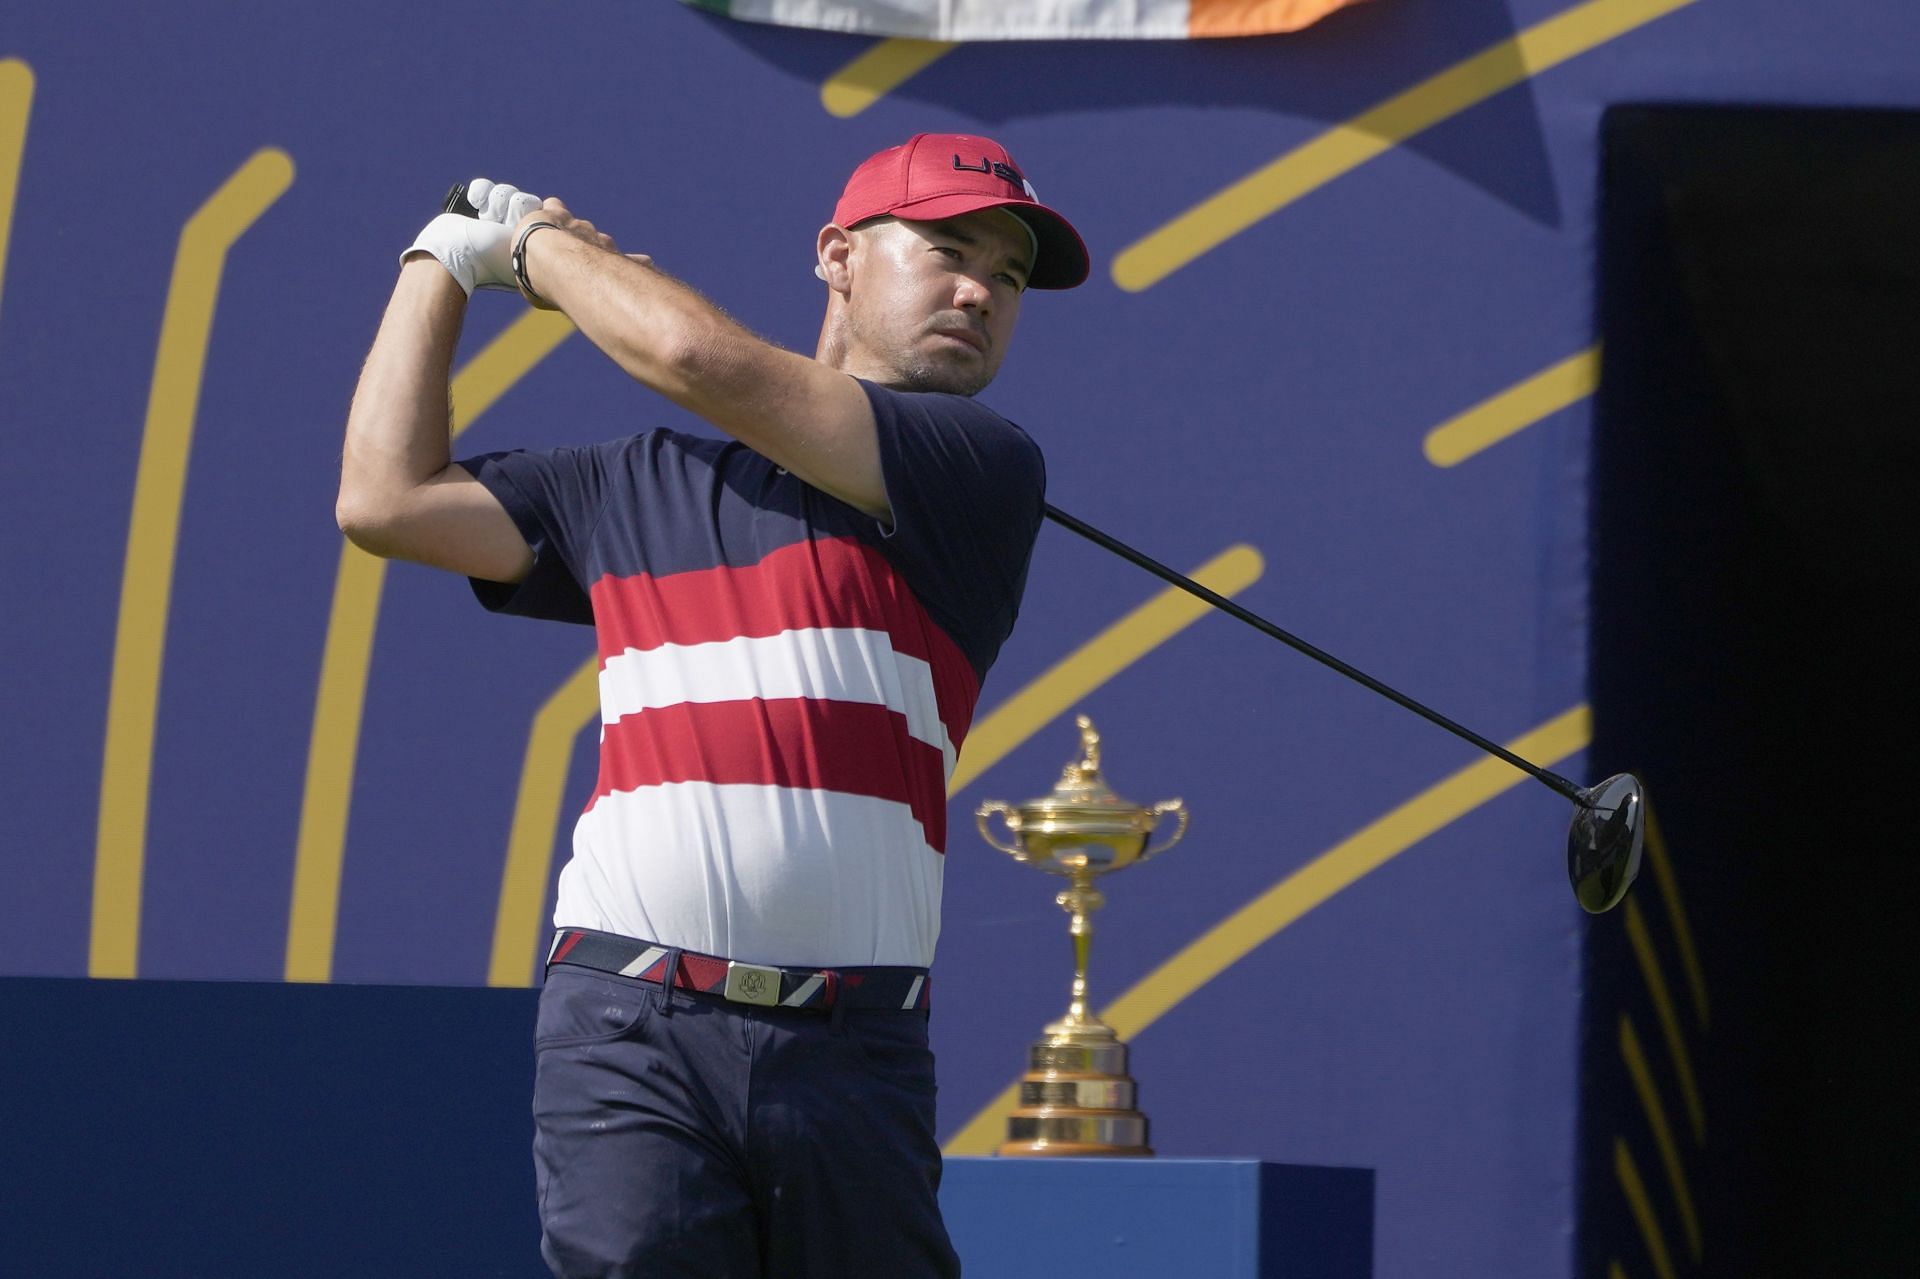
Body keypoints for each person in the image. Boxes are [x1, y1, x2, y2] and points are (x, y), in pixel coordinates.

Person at [336, 133, 1089, 1278]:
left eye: (1011, 276)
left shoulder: (978, 465)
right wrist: (438, 260)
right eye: (946, 249)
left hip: (855, 1049)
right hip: (629, 1027)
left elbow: (692, 351)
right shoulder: (630, 484)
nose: (980, 291)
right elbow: (386, 498)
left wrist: (536, 244)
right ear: (838, 254)